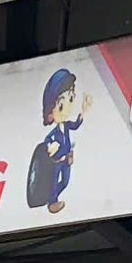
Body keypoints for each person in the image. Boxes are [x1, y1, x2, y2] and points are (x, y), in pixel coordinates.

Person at [26, 68, 92, 215]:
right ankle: (52, 202)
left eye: (71, 99)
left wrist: (83, 111)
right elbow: (47, 141)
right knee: (53, 182)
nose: (67, 107)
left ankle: (53, 198)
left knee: (65, 182)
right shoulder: (54, 133)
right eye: (61, 105)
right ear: (50, 114)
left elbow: (76, 124)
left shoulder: (67, 125)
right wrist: (50, 148)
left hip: (67, 160)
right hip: (56, 162)